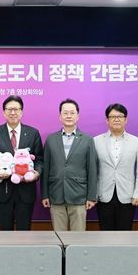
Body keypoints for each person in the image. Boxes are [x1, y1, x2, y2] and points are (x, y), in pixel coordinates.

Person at [0, 95, 43, 230]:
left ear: (21, 112)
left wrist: (36, 173)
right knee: (5, 231)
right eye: (9, 109)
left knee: (24, 231)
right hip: (3, 190)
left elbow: (40, 159)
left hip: (26, 190)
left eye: (16, 109)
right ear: (4, 112)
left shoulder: (33, 133)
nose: (13, 113)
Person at [41, 99, 97, 231]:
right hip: (56, 195)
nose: (69, 116)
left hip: (79, 196)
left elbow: (92, 169)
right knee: (59, 236)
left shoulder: (87, 140)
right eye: (65, 113)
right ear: (60, 116)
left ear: (78, 116)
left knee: (78, 238)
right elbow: (46, 169)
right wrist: (45, 194)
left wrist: (91, 197)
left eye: (72, 113)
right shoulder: (51, 139)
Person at [94, 103, 138, 231]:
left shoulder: (136, 142)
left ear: (125, 119)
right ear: (107, 120)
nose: (116, 119)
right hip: (103, 195)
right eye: (112, 116)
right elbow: (92, 171)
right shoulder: (96, 141)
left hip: (128, 196)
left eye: (120, 116)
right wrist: (93, 195)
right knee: (105, 234)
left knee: (125, 233)